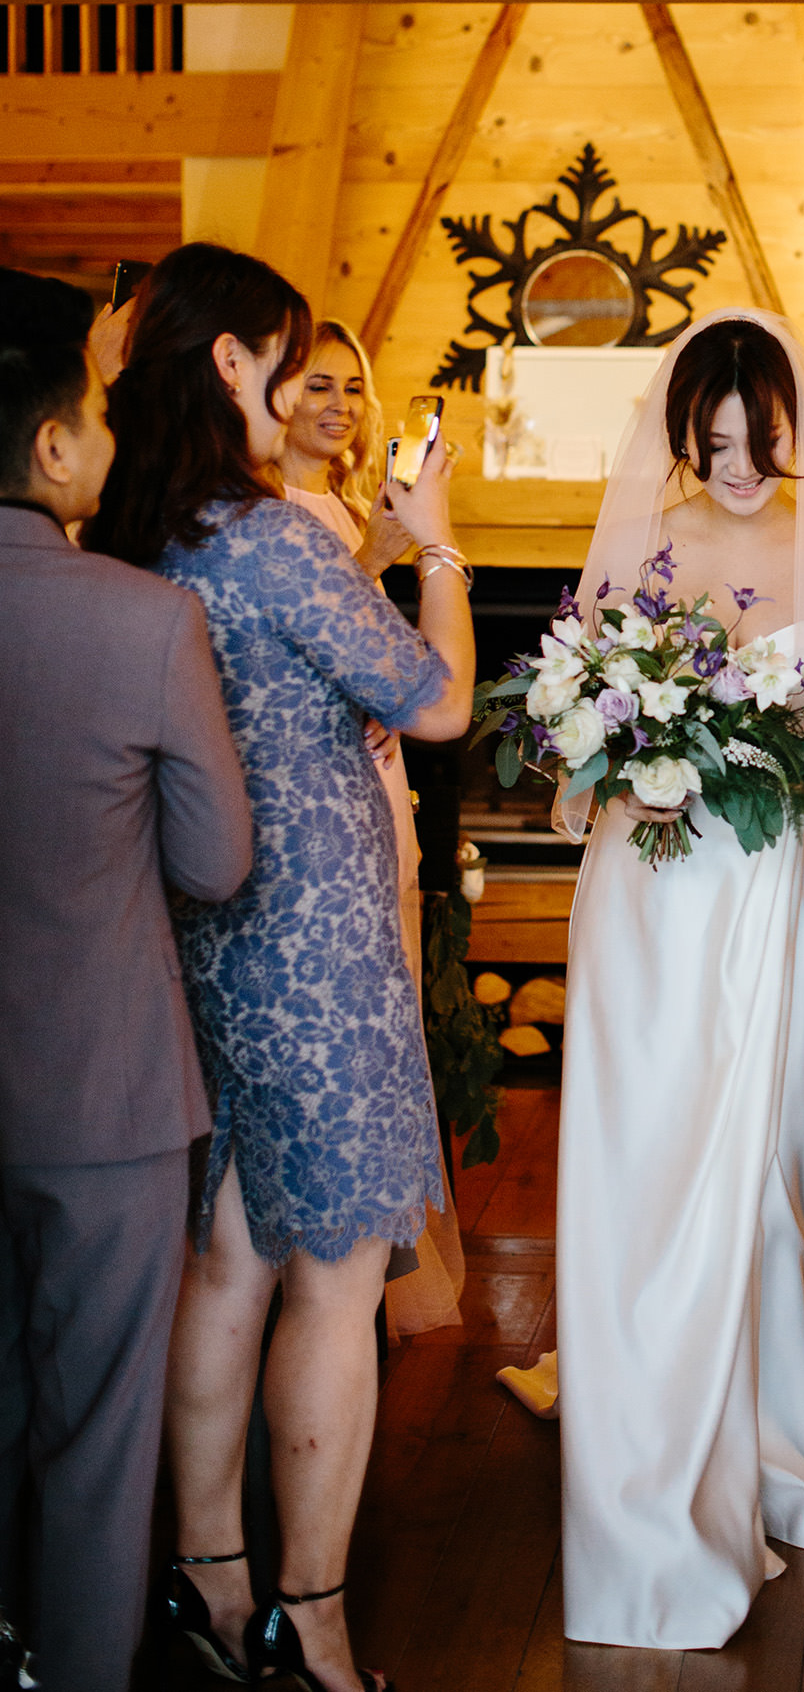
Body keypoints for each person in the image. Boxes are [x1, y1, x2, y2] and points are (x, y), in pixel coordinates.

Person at [549, 309, 804, 1652]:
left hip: (767, 874)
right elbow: (589, 708)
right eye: (714, 441)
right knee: (645, 1142)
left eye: (760, 438)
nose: (739, 464)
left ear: (798, 429)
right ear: (681, 434)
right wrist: (598, 746)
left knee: (766, 1130)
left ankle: (764, 1399)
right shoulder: (650, 537)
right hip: (647, 875)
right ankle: (646, 1383)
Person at [87, 243, 475, 1692]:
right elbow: (435, 704)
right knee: (334, 1271)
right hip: (314, 938)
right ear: (240, 362)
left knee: (228, 1258)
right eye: (283, 352)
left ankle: (206, 1581)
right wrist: (434, 542)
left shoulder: (134, 526)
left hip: (188, 931)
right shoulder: (270, 536)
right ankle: (307, 1621)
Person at [0, 268, 252, 1692]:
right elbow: (216, 862)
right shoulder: (143, 618)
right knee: (99, 1420)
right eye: (95, 412)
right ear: (50, 447)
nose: (108, 434)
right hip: (101, 1087)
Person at [277, 317, 465, 1338]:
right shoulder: (267, 512)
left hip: (378, 777)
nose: (340, 404)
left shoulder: (350, 506)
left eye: (353, 386)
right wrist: (397, 548)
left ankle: (376, 1255)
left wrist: (383, 540)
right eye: (316, 382)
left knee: (391, 981)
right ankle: (338, 1251)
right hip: (316, 791)